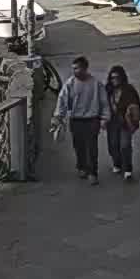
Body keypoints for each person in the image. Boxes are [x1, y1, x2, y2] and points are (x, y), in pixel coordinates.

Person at [54, 55, 108, 183]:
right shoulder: (70, 84)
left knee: (92, 148)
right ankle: (82, 166)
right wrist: (58, 116)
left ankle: (92, 173)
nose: (74, 71)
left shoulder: (96, 84)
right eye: (73, 68)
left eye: (77, 68)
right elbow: (62, 101)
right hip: (76, 120)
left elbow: (104, 102)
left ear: (85, 68)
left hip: (92, 120)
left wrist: (105, 119)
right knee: (79, 147)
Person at [104, 65, 140, 181]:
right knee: (113, 146)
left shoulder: (129, 89)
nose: (114, 80)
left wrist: (131, 112)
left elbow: (137, 103)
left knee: (125, 146)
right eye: (112, 78)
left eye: (116, 77)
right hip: (112, 122)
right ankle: (117, 162)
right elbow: (102, 104)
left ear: (122, 77)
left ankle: (128, 169)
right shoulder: (108, 90)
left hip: (125, 123)